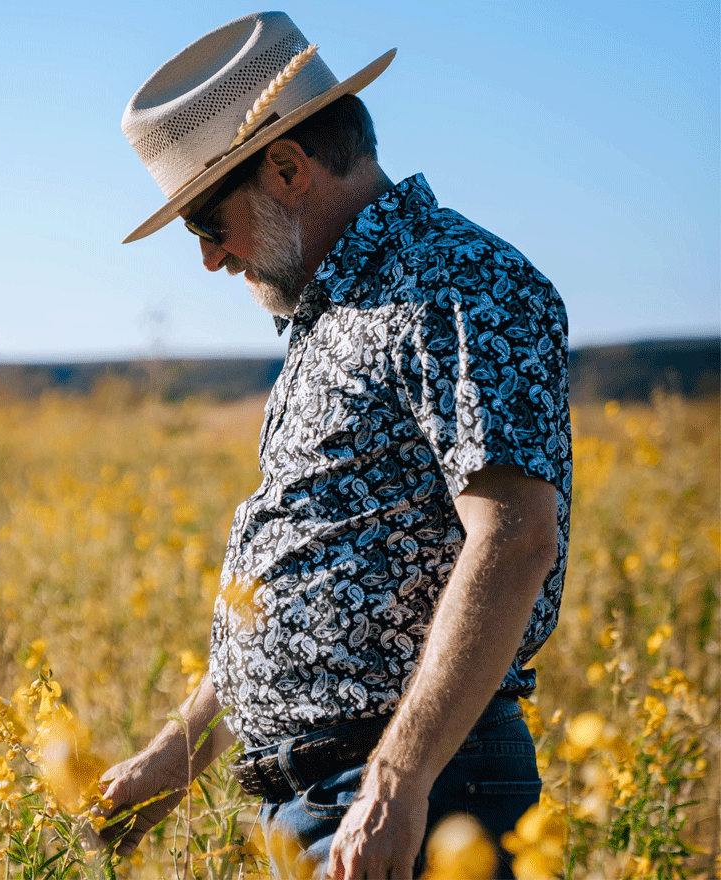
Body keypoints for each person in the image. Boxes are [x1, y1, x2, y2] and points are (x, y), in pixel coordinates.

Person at [96, 12, 571, 880]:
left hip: (416, 800)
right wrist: (179, 753)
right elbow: (310, 575)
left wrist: (395, 782)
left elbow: (514, 539)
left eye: (208, 220)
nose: (209, 260)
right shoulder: (336, 315)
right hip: (335, 804)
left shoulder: (456, 284)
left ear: (286, 168)